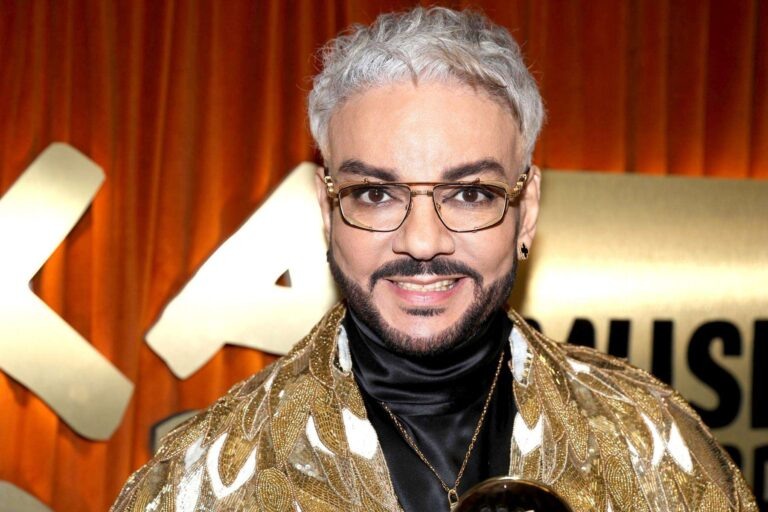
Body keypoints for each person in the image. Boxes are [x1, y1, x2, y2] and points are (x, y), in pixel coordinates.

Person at [111, 7, 757, 512]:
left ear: (527, 208)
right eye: (376, 193)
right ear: (326, 209)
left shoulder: (654, 446)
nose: (422, 242)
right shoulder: (202, 481)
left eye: (470, 193)